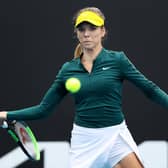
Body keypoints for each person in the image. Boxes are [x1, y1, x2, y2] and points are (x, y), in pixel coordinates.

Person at [0, 6, 168, 168]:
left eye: (92, 28)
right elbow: (44, 109)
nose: (87, 34)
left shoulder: (118, 60)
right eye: (81, 29)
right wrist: (6, 114)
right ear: (77, 33)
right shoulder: (68, 69)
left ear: (102, 31)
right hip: (84, 141)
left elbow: (150, 89)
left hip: (115, 135)